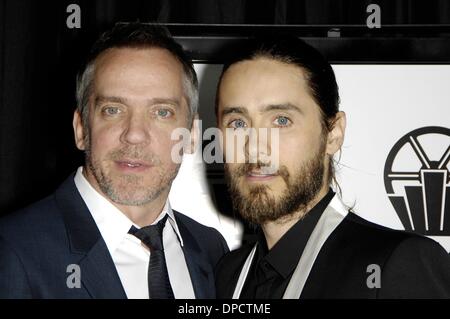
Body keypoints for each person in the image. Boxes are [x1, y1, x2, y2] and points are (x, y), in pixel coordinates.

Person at [0, 22, 228, 299]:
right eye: (113, 110)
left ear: (191, 135)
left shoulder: (211, 250)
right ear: (81, 129)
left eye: (161, 112)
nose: (134, 134)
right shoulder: (12, 250)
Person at [214, 36, 450, 298]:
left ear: (333, 134)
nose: (255, 148)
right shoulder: (227, 275)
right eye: (237, 123)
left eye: (281, 120)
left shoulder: (395, 266)